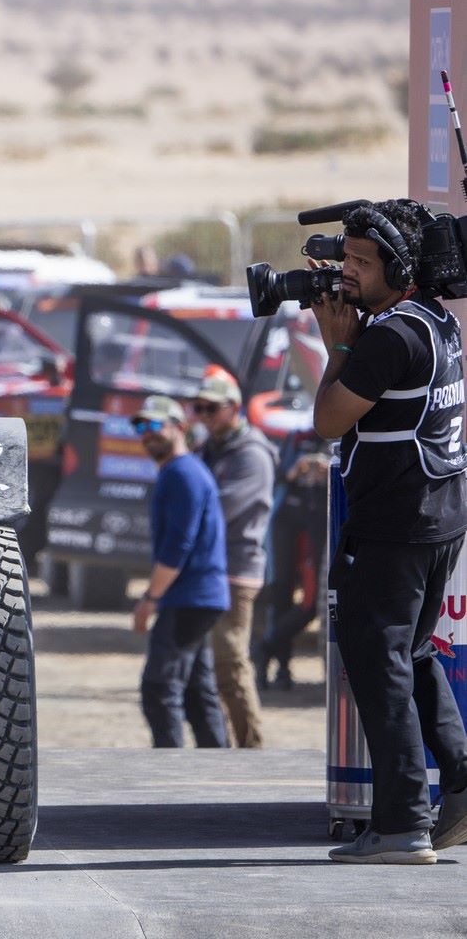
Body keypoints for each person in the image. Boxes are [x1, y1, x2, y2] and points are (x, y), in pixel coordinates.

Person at [311, 199, 467, 865]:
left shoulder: (387, 340)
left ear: (400, 268)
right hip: (440, 518)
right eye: (343, 257)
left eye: (360, 263)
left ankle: (402, 822)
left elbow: (328, 421)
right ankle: (460, 778)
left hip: (395, 526)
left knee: (380, 665)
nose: (345, 274)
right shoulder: (438, 321)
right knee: (415, 655)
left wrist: (337, 347)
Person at [130, 394, 230, 749]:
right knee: (195, 691)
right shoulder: (181, 472)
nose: (147, 432)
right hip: (198, 596)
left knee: (159, 690)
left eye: (156, 424)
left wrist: (149, 599)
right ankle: (218, 773)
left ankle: (168, 779)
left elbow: (178, 546)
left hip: (190, 597)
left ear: (180, 428)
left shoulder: (182, 473)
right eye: (141, 426)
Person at [193, 369, 274, 748]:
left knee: (230, 662)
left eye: (211, 408)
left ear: (234, 408)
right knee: (208, 667)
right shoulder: (210, 449)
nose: (204, 415)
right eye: (199, 408)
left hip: (236, 571)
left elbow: (214, 510)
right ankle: (222, 746)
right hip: (210, 570)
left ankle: (251, 747)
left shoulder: (252, 455)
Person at [256, 432, 328, 690]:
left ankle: (265, 646)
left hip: (319, 526)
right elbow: (276, 475)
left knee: (312, 604)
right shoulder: (297, 437)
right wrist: (294, 470)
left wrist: (328, 472)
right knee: (280, 594)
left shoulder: (346, 435)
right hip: (286, 523)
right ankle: (280, 668)